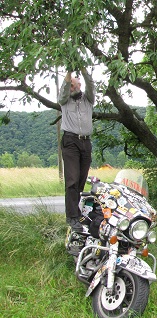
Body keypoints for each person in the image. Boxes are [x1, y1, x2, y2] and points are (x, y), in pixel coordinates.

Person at [58, 68, 95, 232]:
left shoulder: (88, 100)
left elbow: (91, 85)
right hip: (71, 141)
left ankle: (77, 213)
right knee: (72, 180)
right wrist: (68, 74)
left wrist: (83, 69)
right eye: (73, 85)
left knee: (80, 180)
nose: (76, 88)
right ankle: (71, 217)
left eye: (78, 85)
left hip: (86, 142)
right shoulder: (65, 101)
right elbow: (64, 90)